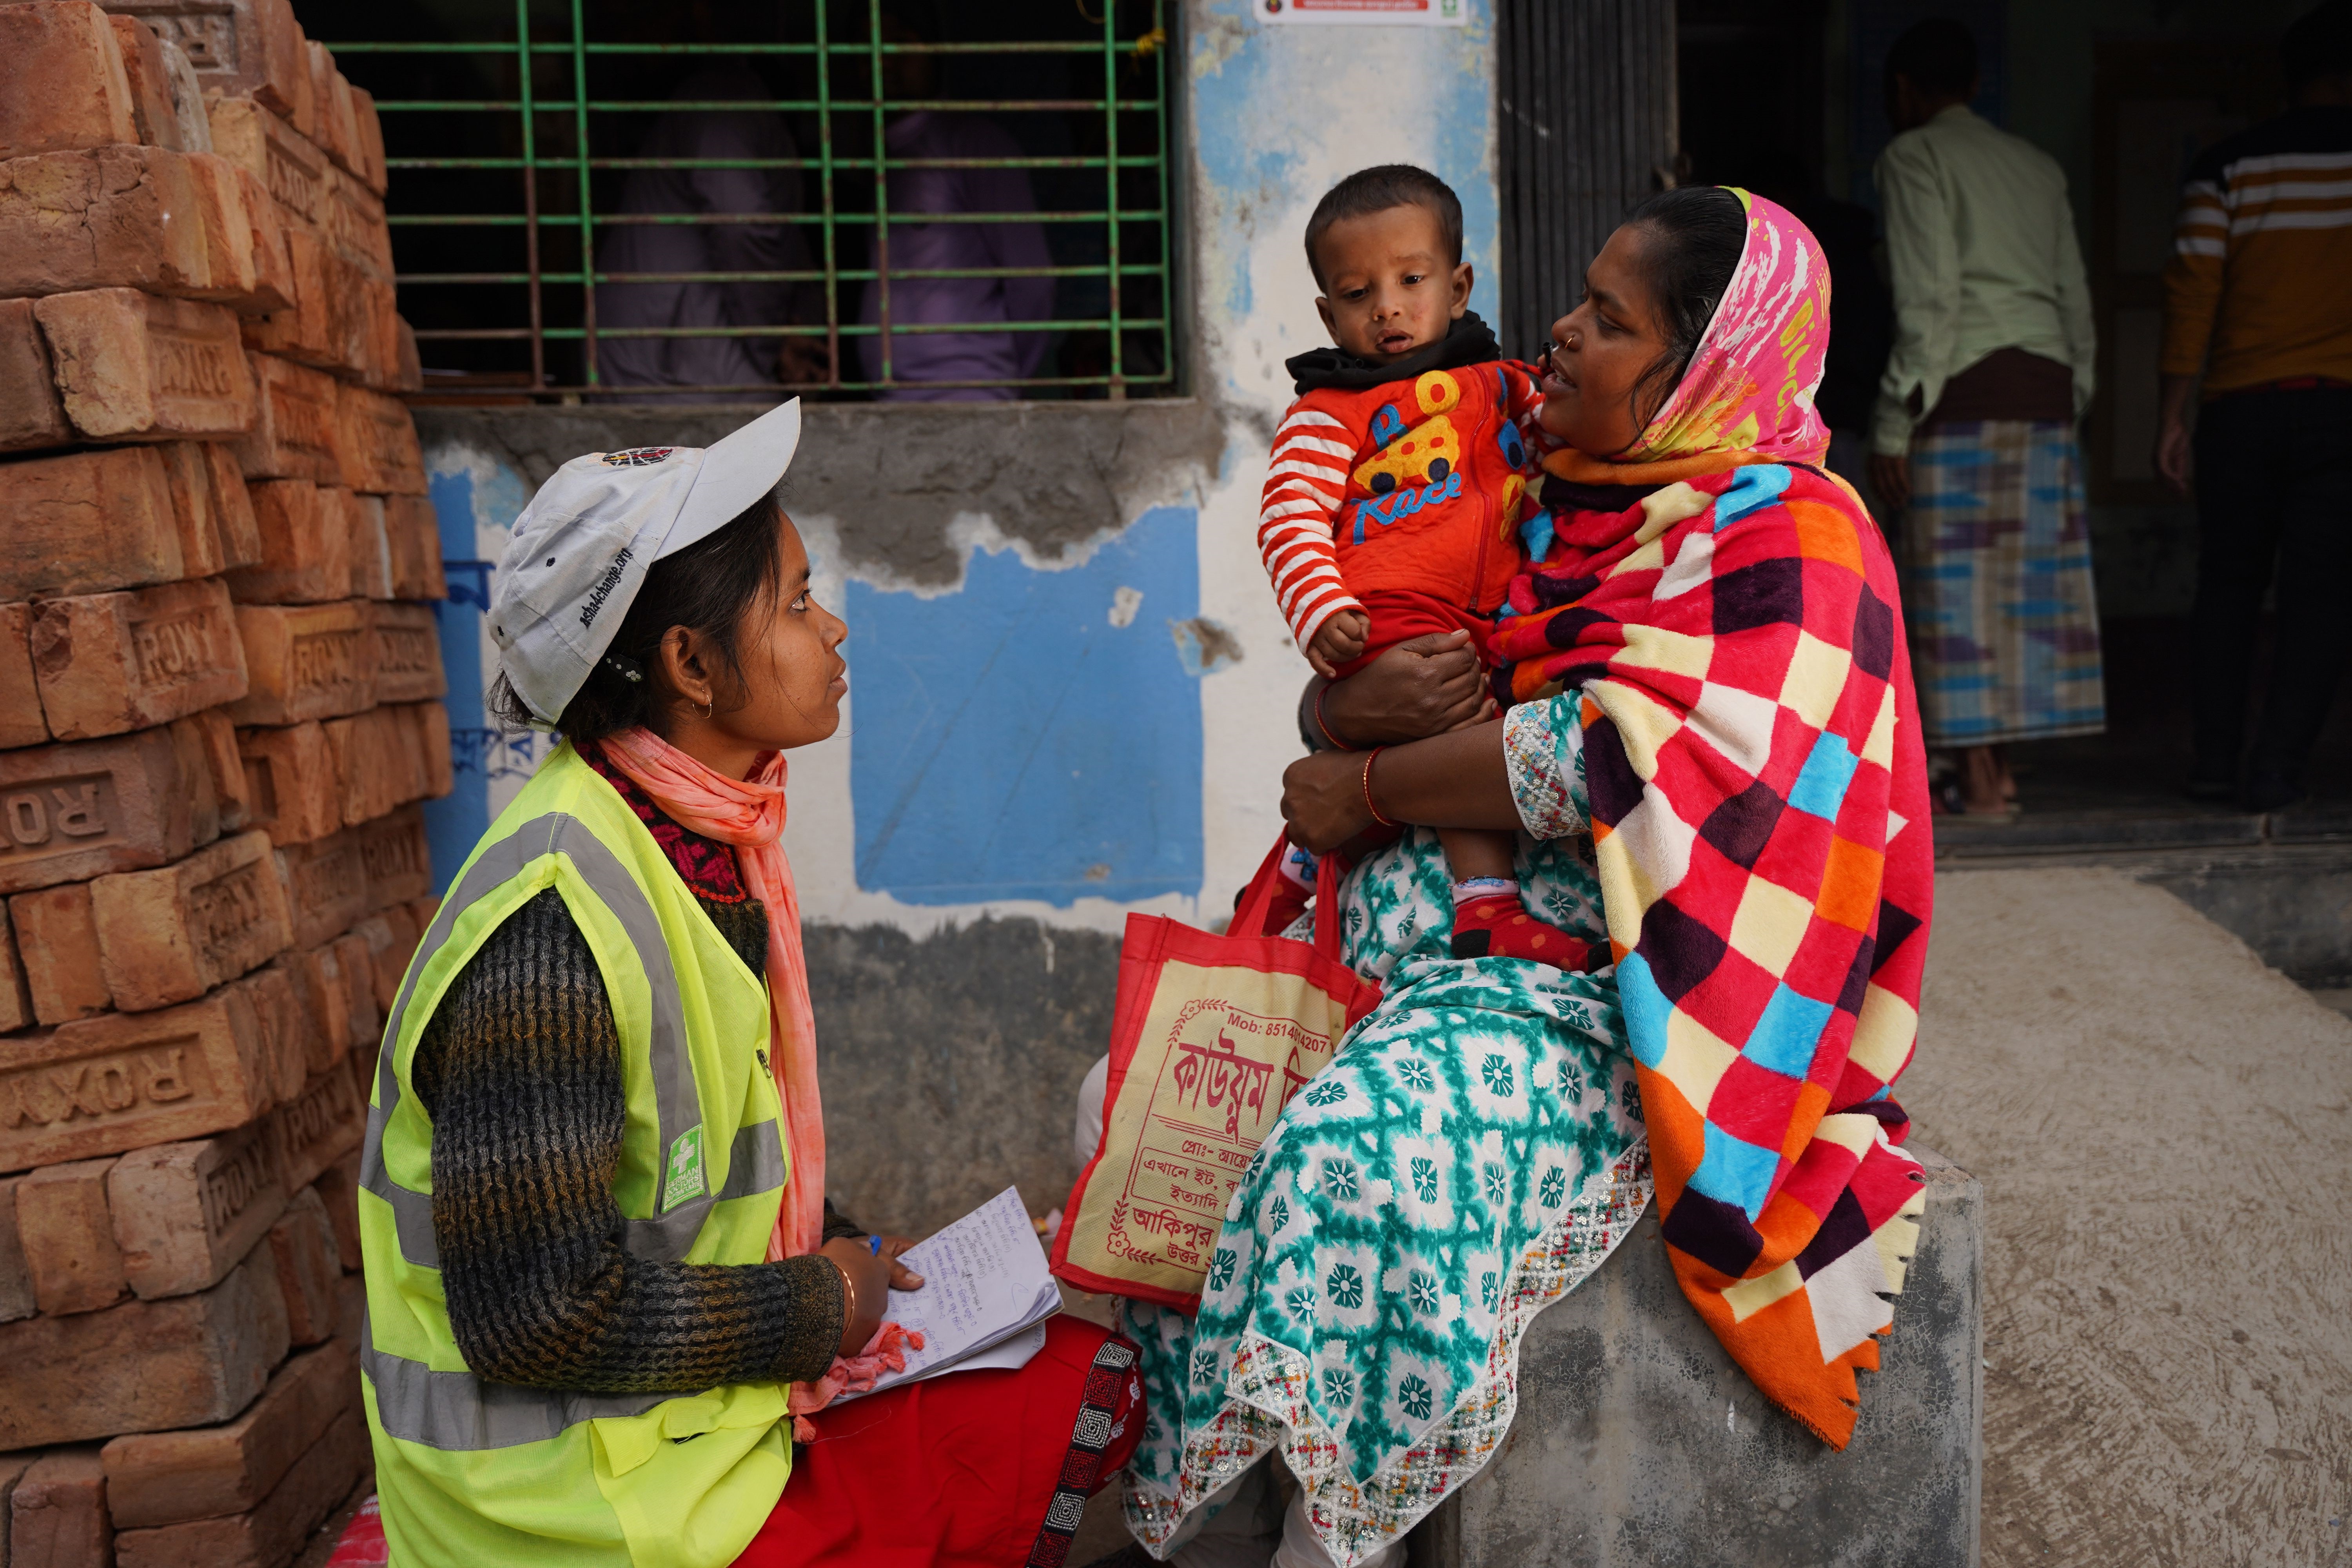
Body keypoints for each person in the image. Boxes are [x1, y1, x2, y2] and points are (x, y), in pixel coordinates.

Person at [1116, 188, 1933, 1568]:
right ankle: (1211, 1495)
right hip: (1391, 950)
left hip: (1611, 1002)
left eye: (1612, 321)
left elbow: (1600, 757)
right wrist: (1344, 720)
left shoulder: (1796, 544)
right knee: (1140, 1123)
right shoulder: (1544, 476)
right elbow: (1408, 649)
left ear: (1707, 368)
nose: (1560, 333)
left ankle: (1325, 1539)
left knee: (1359, 1165)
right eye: (1581, 296)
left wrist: (1366, 788)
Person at [354, 401, 1144, 1568]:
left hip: (677, 1441)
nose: (831, 628)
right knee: (1045, 1416)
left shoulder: (691, 841)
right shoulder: (551, 929)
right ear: (688, 665)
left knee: (1083, 1375)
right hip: (568, 1514)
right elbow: (537, 1313)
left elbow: (705, 1156)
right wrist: (823, 1303)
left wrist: (859, 1254)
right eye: (791, 600)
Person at [1258, 164, 1556, 963]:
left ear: (1457, 288)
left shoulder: (1503, 382)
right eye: (1358, 295)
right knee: (1454, 721)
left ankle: (1297, 864)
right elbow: (1288, 516)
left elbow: (1562, 440)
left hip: (1494, 608)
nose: (1387, 306)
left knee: (1465, 709)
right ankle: (1486, 903)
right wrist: (1320, 607)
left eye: (1411, 280)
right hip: (1393, 602)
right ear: (1329, 313)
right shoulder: (1330, 409)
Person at [1865, 17, 2105, 817]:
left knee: (1954, 595)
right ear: (1973, 85)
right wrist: (2075, 397)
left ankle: (1977, 779)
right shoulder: (2037, 167)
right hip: (2043, 391)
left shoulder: (1913, 156)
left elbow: (1929, 298)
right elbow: (2074, 297)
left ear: (1904, 91)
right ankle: (1997, 771)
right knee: (2025, 595)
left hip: (1960, 393)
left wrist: (1896, 421)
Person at [2152, 0, 2352, 813]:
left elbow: (2192, 290)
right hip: (2343, 413)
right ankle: (2276, 769)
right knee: (2320, 596)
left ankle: (2213, 763)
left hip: (2239, 409)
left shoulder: (2228, 165)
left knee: (2227, 586)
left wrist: (2173, 412)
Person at [593, 63, 827, 397]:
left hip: (673, 356)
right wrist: (773, 343)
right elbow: (741, 223)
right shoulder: (726, 96)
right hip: (673, 366)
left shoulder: (723, 104)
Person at [857, 15, 1054, 398]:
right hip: (889, 405)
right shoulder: (878, 158)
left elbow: (1034, 282)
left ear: (936, 53)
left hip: (966, 396)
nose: (883, 58)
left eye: (902, 40)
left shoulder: (975, 145)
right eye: (867, 47)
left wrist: (1001, 382)